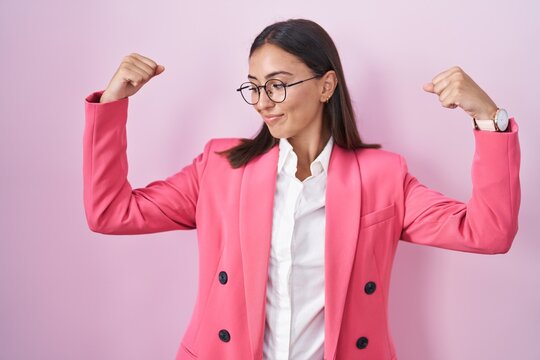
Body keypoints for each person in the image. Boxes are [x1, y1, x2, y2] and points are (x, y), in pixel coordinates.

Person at [83, 18, 520, 360]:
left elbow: (487, 233)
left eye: (277, 84)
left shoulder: (382, 175)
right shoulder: (219, 167)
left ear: (326, 85)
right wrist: (114, 102)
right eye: (253, 87)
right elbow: (111, 213)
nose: (262, 102)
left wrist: (487, 117)